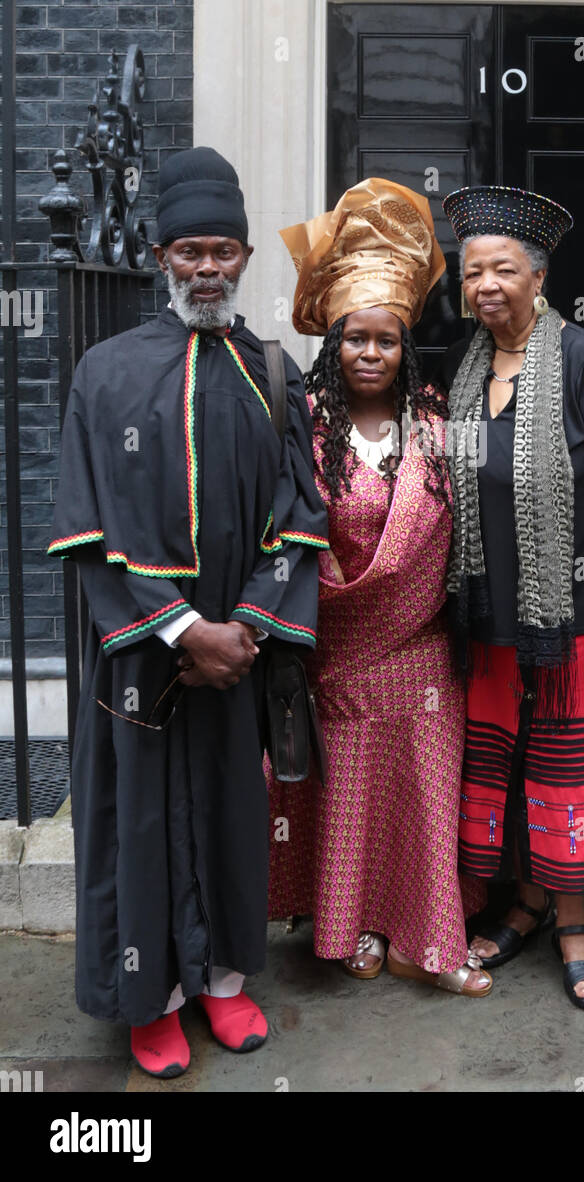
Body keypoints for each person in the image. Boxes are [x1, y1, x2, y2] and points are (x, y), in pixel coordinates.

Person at [46, 147, 329, 1076]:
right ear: (162, 257)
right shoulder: (105, 372)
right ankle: (151, 997)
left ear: (246, 257)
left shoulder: (272, 375)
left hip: (237, 651)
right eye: (189, 252)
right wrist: (180, 630)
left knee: (229, 815)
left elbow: (299, 514)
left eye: (224, 251)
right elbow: (86, 528)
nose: (207, 268)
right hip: (141, 660)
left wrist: (243, 626)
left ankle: (220, 984)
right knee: (141, 824)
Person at [267, 177, 490, 997]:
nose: (370, 353)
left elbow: (463, 539)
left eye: (386, 341)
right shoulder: (304, 430)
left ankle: (429, 940)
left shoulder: (435, 426)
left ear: (406, 348)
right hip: (338, 655)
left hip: (424, 652)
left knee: (423, 799)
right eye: (356, 339)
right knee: (351, 799)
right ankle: (354, 924)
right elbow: (288, 539)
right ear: (335, 344)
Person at [438, 183, 584, 1010]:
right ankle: (523, 903)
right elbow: (454, 494)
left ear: (538, 279)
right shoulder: (463, 372)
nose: (485, 285)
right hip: (489, 618)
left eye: (501, 270)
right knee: (509, 763)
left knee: (568, 771)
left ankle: (573, 919)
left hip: (573, 621)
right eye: (471, 273)